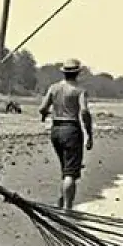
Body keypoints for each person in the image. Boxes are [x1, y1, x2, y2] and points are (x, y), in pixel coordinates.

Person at [39, 58, 95, 210]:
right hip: (71, 128)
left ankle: (62, 199)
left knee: (66, 168)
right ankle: (68, 209)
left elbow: (43, 108)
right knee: (71, 172)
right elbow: (84, 111)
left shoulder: (54, 88)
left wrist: (45, 116)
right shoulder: (79, 91)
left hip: (56, 129)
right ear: (77, 73)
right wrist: (89, 133)